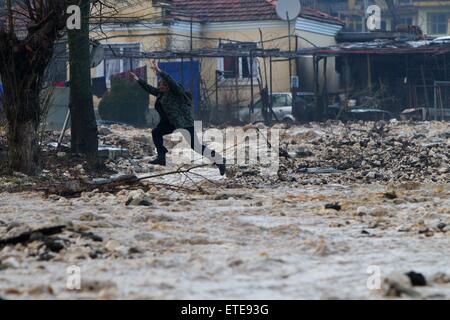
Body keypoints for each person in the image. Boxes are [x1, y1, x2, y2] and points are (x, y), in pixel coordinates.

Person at [130, 60, 226, 176]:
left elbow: (171, 82)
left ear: (168, 87)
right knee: (156, 132)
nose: (160, 87)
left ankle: (219, 160)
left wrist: (160, 71)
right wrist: (138, 80)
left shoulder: (176, 92)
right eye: (160, 85)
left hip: (184, 123)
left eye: (163, 85)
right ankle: (161, 157)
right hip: (170, 123)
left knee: (195, 146)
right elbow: (150, 89)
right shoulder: (161, 93)